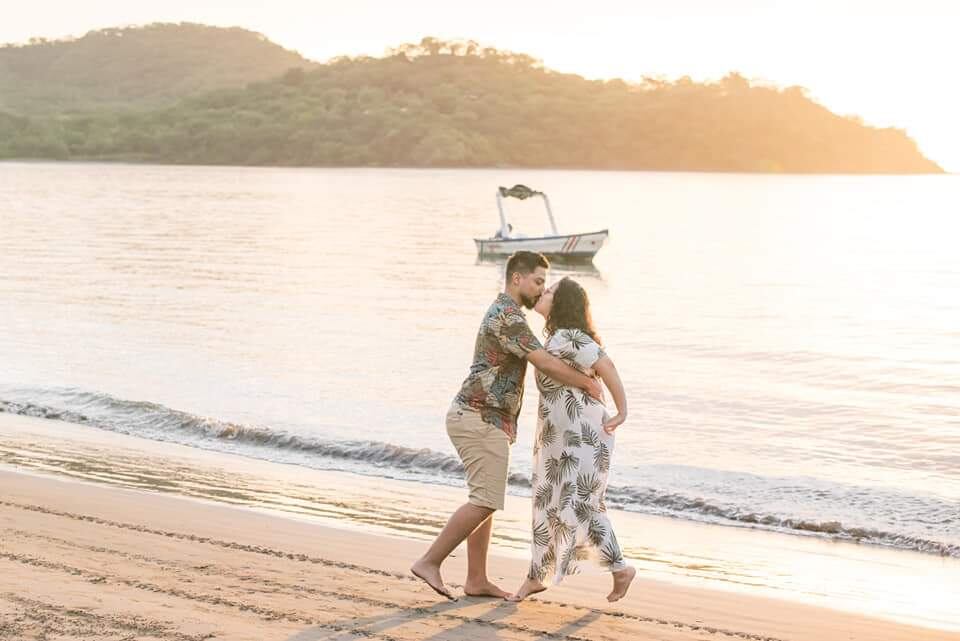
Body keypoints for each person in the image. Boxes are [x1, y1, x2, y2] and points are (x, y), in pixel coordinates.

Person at [411, 252, 603, 600]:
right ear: (517, 278)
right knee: (485, 500)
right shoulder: (508, 316)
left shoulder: (507, 313)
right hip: (479, 417)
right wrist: (587, 383)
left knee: (484, 497)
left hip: (482, 418)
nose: (541, 289)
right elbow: (543, 361)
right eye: (538, 281)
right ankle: (430, 560)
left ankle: (476, 580)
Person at [508, 277, 636, 603]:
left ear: (561, 303)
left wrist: (622, 411)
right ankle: (541, 575)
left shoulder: (571, 338)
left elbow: (607, 366)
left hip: (581, 438)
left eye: (549, 291)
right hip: (561, 440)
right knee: (552, 504)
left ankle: (616, 568)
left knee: (577, 504)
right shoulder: (556, 339)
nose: (542, 292)